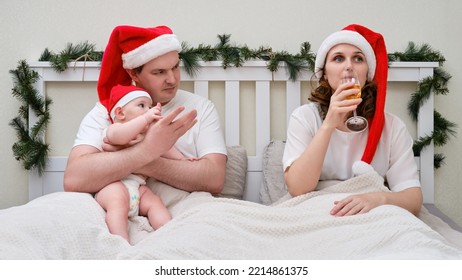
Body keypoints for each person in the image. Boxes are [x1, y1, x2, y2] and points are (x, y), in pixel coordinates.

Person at [64, 25, 227, 197]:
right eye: (159, 72)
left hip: (184, 208)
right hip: (119, 208)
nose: (172, 79)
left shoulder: (201, 108)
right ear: (133, 73)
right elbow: (74, 179)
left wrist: (143, 157)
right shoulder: (112, 110)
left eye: (175, 67)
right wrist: (146, 151)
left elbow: (215, 179)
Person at [282, 24, 423, 216]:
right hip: (316, 210)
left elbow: (413, 198)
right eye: (338, 58)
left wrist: (378, 199)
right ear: (324, 72)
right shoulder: (304, 118)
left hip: (371, 212)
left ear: (368, 73)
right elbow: (297, 188)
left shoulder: (392, 127)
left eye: (358, 58)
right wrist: (329, 124)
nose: (349, 66)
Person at [96, 84, 186, 242]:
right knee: (118, 201)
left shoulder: (147, 134)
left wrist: (183, 159)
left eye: (150, 106)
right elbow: (121, 138)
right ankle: (120, 241)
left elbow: (164, 148)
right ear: (120, 112)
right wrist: (146, 119)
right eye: (141, 106)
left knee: (154, 201)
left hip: (137, 188)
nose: (148, 110)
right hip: (113, 185)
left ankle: (168, 232)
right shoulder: (113, 129)